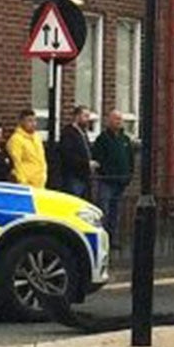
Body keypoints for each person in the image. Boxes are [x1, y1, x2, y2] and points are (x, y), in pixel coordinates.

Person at [92, 110, 136, 249]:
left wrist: (128, 175)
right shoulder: (103, 138)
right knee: (104, 210)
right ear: (109, 120)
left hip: (121, 181)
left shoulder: (125, 139)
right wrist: (105, 172)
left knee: (115, 211)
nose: (118, 122)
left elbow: (130, 158)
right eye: (115, 119)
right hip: (107, 181)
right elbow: (98, 158)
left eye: (120, 119)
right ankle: (102, 240)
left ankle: (113, 239)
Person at [54, 105, 96, 198]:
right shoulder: (68, 133)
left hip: (84, 176)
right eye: (85, 116)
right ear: (77, 117)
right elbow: (68, 155)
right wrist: (86, 163)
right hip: (73, 176)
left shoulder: (83, 133)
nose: (87, 119)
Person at [7, 109, 48, 189]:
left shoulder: (36, 137)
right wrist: (22, 182)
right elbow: (16, 163)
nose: (33, 124)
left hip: (39, 183)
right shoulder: (16, 140)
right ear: (21, 122)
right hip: (26, 184)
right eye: (29, 121)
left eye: (34, 121)